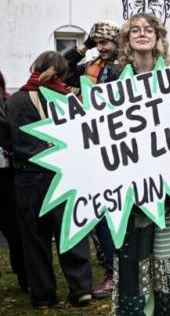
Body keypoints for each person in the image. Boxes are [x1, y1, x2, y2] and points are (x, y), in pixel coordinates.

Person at [6, 52, 93, 308]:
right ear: (63, 73)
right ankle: (81, 289)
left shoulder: (18, 100)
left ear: (35, 67)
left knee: (34, 238)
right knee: (71, 231)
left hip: (27, 176)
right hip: (63, 172)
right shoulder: (68, 100)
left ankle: (43, 295)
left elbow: (10, 137)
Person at [112, 13, 170, 315]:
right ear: (128, 39)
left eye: (149, 30)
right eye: (135, 30)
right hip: (128, 193)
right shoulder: (112, 78)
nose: (142, 34)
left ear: (158, 37)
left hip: (169, 189)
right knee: (131, 260)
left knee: (168, 263)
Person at [63, 20, 122, 298]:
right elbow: (58, 70)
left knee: (119, 214)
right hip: (94, 149)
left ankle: (120, 270)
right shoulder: (91, 66)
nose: (101, 47)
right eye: (97, 43)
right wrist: (84, 46)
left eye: (105, 42)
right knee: (100, 213)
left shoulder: (128, 67)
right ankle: (112, 268)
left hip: (123, 151)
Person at [0, 70, 27, 294]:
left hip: (7, 177)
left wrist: (12, 148)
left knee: (15, 231)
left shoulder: (9, 104)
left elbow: (15, 136)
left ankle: (24, 276)